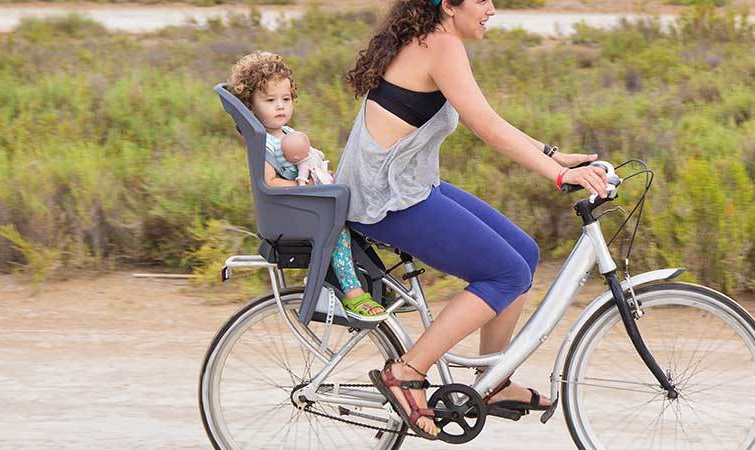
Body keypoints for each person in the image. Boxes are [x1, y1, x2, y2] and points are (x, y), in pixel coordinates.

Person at [333, 0, 610, 439]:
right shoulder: (441, 45)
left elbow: (490, 118)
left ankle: (493, 381)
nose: (492, 9)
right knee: (506, 273)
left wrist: (553, 155)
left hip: (407, 185)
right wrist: (559, 175)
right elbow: (486, 125)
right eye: (481, 0)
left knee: (524, 252)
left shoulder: (432, 39)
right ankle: (405, 372)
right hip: (386, 198)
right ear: (447, 5)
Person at [226, 51, 387, 322]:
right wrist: (305, 185)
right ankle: (353, 292)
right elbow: (268, 182)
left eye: (286, 99)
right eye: (270, 100)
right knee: (337, 235)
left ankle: (375, 282)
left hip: (303, 204)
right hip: (289, 212)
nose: (281, 107)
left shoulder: (285, 134)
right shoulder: (264, 142)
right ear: (250, 105)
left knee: (355, 213)